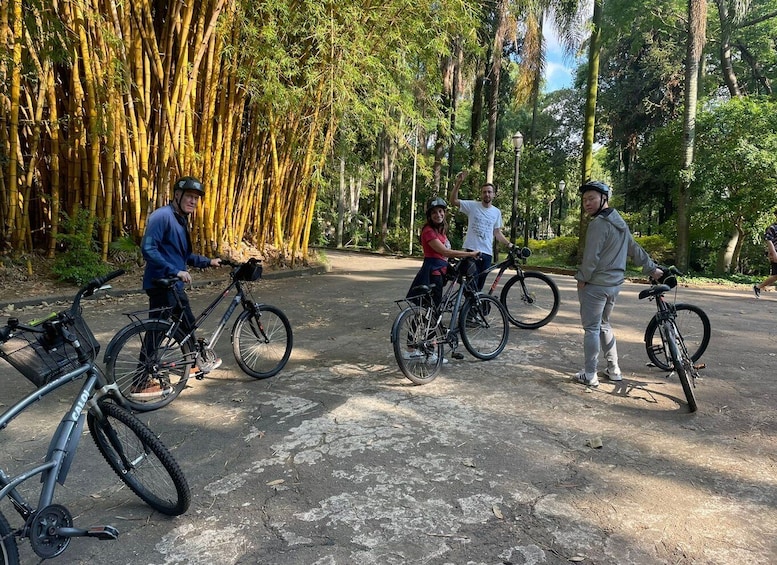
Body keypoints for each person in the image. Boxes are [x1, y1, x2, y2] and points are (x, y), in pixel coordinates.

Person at [132, 176, 222, 399]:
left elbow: (182, 255)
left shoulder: (180, 220)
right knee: (157, 331)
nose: (193, 201)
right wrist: (176, 271)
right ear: (178, 195)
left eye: (196, 198)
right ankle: (140, 382)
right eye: (190, 196)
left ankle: (191, 364)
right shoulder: (162, 216)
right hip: (162, 283)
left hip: (174, 285)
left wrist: (207, 261)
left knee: (187, 323)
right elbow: (149, 250)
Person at [574, 181, 663, 387]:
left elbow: (591, 257)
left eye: (592, 199)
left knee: (592, 329)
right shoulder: (618, 221)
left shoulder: (598, 224)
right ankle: (614, 369)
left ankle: (590, 374)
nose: (587, 203)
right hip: (614, 285)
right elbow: (634, 248)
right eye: (585, 200)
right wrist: (652, 269)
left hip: (596, 284)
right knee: (604, 324)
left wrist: (582, 278)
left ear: (604, 199)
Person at [403, 197, 480, 362]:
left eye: (440, 211)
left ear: (444, 213)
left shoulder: (440, 231)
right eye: (434, 212)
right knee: (433, 312)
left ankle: (411, 349)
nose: (438, 214)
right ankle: (431, 352)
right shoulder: (428, 231)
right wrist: (469, 254)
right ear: (429, 216)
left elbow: (445, 255)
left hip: (440, 271)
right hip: (433, 273)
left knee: (425, 312)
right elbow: (445, 253)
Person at [448, 170, 514, 291]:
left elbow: (497, 233)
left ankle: (470, 310)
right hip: (471, 252)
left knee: (478, 289)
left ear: (493, 194)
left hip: (487, 254)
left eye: (489, 192)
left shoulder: (496, 212)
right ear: (481, 194)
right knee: (471, 287)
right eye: (484, 192)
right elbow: (453, 201)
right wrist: (458, 183)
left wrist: (509, 244)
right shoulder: (473, 206)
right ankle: (466, 309)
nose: (487, 194)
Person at [753, 211, 777, 298]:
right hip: (775, 253)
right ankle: (758, 287)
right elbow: (768, 240)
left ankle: (758, 287)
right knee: (775, 275)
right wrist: (773, 253)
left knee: (775, 276)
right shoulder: (772, 228)